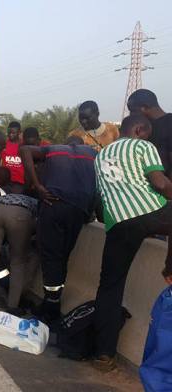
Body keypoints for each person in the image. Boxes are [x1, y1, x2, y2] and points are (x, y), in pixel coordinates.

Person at [92, 115, 172, 371]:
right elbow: (160, 183)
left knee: (109, 286)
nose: (148, 137)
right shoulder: (142, 146)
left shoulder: (100, 156)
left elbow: (102, 200)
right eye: (147, 133)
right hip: (150, 211)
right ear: (139, 129)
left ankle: (104, 354)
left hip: (118, 222)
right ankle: (170, 268)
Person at [20, 136, 97, 323]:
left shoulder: (54, 149)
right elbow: (99, 187)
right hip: (78, 209)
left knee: (50, 255)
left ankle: (51, 306)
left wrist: (37, 185)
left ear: (68, 143)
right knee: (63, 255)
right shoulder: (93, 154)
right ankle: (53, 301)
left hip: (53, 204)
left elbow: (24, 150)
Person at [0, 192, 38, 316]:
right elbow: (37, 227)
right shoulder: (37, 203)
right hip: (19, 214)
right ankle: (12, 306)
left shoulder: (7, 196)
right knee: (18, 261)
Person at [127, 89, 172, 178]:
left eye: (133, 111)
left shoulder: (169, 123)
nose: (131, 115)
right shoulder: (142, 128)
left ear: (145, 107)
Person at [0, 121, 26, 193]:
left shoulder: (24, 145)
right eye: (9, 133)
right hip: (6, 181)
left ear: (19, 132)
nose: (10, 135)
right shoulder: (3, 145)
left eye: (13, 133)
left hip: (21, 182)